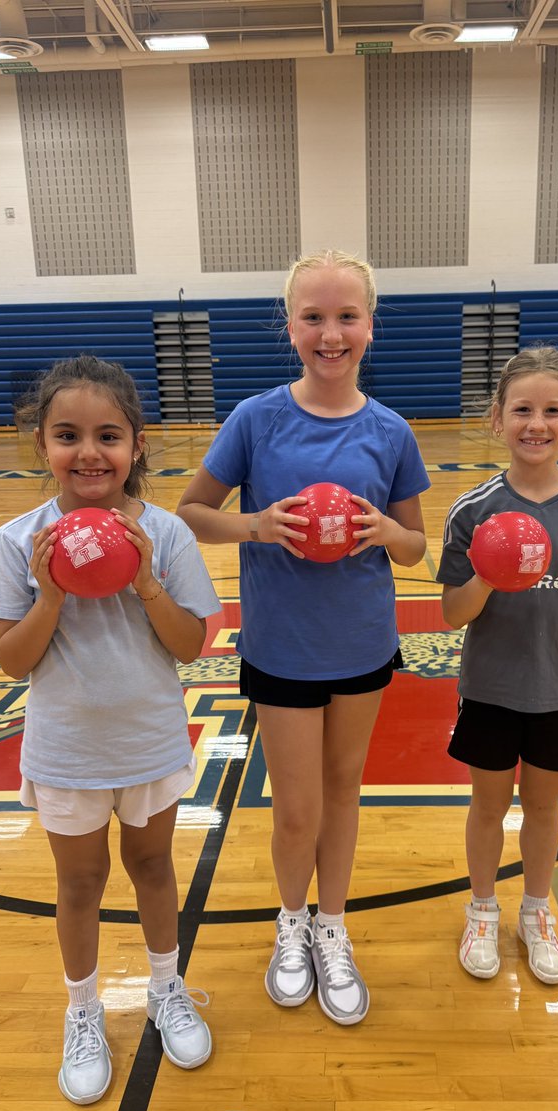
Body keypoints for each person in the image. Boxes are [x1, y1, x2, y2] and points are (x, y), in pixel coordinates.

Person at [177, 250, 430, 1025]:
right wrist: (256, 525)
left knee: (343, 792)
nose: (331, 333)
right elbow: (191, 513)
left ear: (370, 326)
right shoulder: (257, 420)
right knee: (295, 807)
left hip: (361, 645)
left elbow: (416, 548)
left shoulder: (390, 431)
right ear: (289, 327)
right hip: (281, 648)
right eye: (313, 317)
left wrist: (385, 530)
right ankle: (291, 922)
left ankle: (332, 926)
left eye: (346, 316)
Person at [0, 355, 221, 1104]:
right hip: (66, 750)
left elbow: (192, 645)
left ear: (137, 444)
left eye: (108, 436)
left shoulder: (167, 534)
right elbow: (10, 661)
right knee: (80, 882)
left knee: (153, 868)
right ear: (42, 444)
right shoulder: (19, 541)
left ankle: (166, 988)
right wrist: (50, 595)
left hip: (149, 741)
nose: (89, 453)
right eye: (68, 435)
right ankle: (83, 1010)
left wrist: (146, 580)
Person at [437, 346, 558, 985]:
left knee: (545, 808)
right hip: (491, 691)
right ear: (497, 418)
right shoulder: (473, 510)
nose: (537, 423)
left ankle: (536, 910)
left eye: (553, 411)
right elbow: (453, 614)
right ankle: (481, 910)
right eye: (522, 409)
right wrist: (489, 573)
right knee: (488, 805)